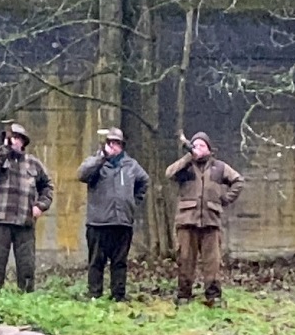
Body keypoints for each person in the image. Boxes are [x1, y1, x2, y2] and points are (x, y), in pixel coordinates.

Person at [164, 131, 244, 307]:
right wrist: (187, 157)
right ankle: (184, 294)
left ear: (209, 149)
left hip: (211, 221)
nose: (198, 148)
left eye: (202, 145)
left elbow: (238, 181)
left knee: (212, 262)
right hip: (187, 221)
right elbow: (169, 174)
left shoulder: (219, 167)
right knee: (185, 259)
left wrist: (226, 198)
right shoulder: (185, 166)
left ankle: (213, 296)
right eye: (195, 145)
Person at [76, 127, 149, 302]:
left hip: (122, 222)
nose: (113, 147)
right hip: (98, 222)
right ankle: (94, 294)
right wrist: (101, 158)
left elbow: (144, 181)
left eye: (117, 143)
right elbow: (82, 174)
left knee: (120, 262)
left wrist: (132, 202)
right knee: (96, 261)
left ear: (122, 146)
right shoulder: (95, 162)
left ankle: (118, 295)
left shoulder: (131, 165)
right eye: (110, 143)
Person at [0, 121, 54, 293]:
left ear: (23, 141)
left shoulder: (33, 163)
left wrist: (41, 205)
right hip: (0, 220)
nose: (14, 141)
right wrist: (4, 150)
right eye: (11, 138)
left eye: (18, 138)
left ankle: (27, 296)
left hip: (25, 221)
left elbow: (47, 186)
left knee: (27, 263)